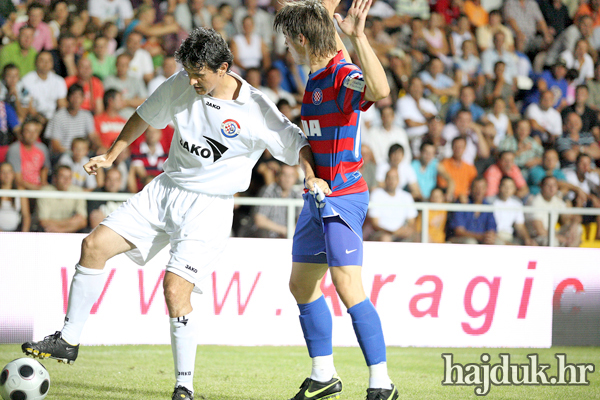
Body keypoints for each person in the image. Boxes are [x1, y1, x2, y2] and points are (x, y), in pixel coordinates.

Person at [22, 27, 320, 400]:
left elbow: (297, 142)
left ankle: (184, 385)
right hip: (165, 189)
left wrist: (310, 175)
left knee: (175, 289)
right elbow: (143, 114)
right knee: (93, 245)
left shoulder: (256, 108)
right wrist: (111, 155)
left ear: (223, 68)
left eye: (200, 75)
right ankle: (68, 340)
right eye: (189, 72)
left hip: (208, 207)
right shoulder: (181, 83)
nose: (192, 80)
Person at [274, 0, 398, 398]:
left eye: (290, 40)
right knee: (301, 286)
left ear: (302, 39)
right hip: (318, 196)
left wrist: (358, 35)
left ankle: (382, 382)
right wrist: (311, 176)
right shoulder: (315, 76)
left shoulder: (340, 75)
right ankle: (324, 374)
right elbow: (310, 143)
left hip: (343, 197)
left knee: (348, 288)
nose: (288, 48)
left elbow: (380, 89)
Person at [526, 175, 581, 246]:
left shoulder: (556, 200)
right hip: (537, 237)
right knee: (552, 241)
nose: (552, 188)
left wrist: (574, 225)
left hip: (552, 233)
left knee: (578, 228)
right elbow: (540, 231)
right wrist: (560, 238)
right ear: (541, 187)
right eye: (548, 185)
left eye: (554, 185)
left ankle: (571, 255)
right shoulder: (535, 202)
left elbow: (574, 217)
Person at [45, 83, 95, 158]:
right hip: (64, 154)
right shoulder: (58, 116)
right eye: (73, 96)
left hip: (82, 154)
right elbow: (55, 144)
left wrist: (100, 147)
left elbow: (93, 136)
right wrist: (73, 154)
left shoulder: (87, 115)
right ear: (67, 98)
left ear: (83, 98)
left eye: (79, 96)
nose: (76, 99)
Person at [368, 168, 418, 242]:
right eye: (389, 178)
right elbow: (375, 224)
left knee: (417, 236)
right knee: (385, 238)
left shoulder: (407, 196)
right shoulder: (376, 195)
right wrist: (392, 232)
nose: (392, 181)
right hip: (381, 233)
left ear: (398, 180)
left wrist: (404, 230)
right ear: (385, 180)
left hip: (402, 233)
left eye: (394, 178)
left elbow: (412, 222)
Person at [253, 164, 302, 238]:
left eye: (291, 175)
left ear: (296, 178)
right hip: (264, 239)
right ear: (278, 176)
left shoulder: (296, 194)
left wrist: (292, 231)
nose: (288, 179)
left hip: (287, 238)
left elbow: (301, 220)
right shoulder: (269, 191)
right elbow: (259, 220)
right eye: (284, 175)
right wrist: (285, 230)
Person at [37, 164, 88, 233]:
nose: (66, 180)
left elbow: (83, 222)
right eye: (62, 176)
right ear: (55, 178)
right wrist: (72, 222)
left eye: (69, 177)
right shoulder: (45, 192)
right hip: (46, 233)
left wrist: (60, 230)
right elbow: (43, 222)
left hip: (65, 232)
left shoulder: (77, 191)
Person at [448, 177, 499, 244]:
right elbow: (459, 231)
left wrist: (489, 237)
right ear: (470, 189)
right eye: (476, 188)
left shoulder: (488, 207)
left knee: (498, 242)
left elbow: (491, 228)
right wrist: (480, 237)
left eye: (482, 188)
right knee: (471, 242)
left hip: (482, 239)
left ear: (486, 189)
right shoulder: (462, 203)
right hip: (461, 240)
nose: (479, 191)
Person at [6, 117, 50, 191]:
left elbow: (44, 169)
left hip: (38, 187)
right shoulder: (14, 150)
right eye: (28, 131)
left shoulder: (42, 148)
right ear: (22, 133)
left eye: (35, 131)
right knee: (21, 189)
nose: (32, 135)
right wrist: (37, 188)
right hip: (21, 187)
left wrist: (43, 185)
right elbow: (17, 180)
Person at [491, 176, 536, 245]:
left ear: (514, 189)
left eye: (510, 187)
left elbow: (520, 226)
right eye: (504, 186)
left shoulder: (517, 203)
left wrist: (527, 239)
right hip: (494, 236)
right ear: (499, 186)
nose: (507, 189)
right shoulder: (490, 202)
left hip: (509, 236)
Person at [438, 136, 478, 203]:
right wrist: (458, 195)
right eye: (456, 146)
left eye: (461, 147)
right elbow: (442, 185)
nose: (458, 149)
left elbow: (473, 187)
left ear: (465, 148)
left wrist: (464, 196)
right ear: (452, 147)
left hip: (466, 200)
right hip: (449, 200)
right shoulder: (444, 164)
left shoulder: (470, 168)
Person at [0, 162, 31, 232]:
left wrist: (24, 235)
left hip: (15, 232)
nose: (6, 175)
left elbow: (26, 216)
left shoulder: (20, 191)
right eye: (3, 172)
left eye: (9, 172)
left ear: (13, 174)